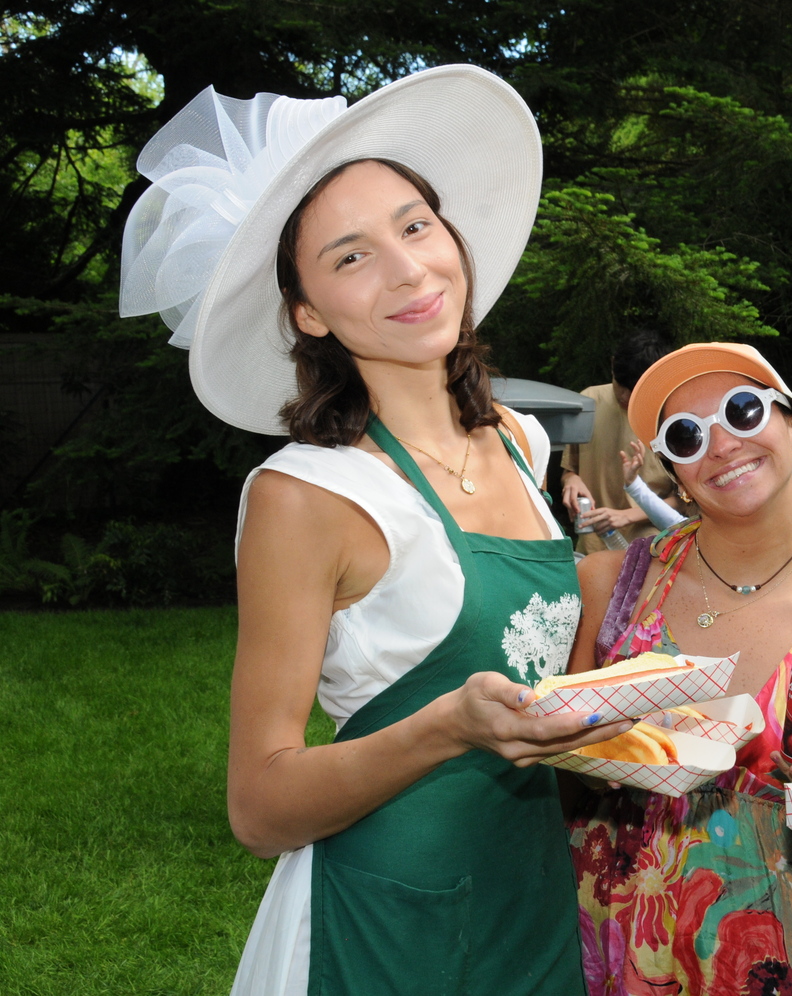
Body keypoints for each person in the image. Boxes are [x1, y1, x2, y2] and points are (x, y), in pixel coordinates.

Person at [118, 66, 634, 995]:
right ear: (308, 312)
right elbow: (259, 807)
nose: (406, 270)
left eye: (414, 226)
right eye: (350, 256)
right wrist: (444, 728)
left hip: (530, 899)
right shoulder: (304, 496)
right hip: (386, 930)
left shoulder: (517, 440)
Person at [566, 342, 792, 996]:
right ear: (675, 471)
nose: (719, 444)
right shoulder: (612, 586)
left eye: (743, 411)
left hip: (774, 958)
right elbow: (552, 792)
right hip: (611, 950)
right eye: (686, 436)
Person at [561, 330, 682, 552]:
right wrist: (571, 480)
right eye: (620, 385)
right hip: (591, 547)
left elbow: (685, 500)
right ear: (612, 365)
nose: (625, 396)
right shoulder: (589, 401)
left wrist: (627, 516)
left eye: (635, 389)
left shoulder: (672, 417)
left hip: (651, 548)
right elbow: (570, 469)